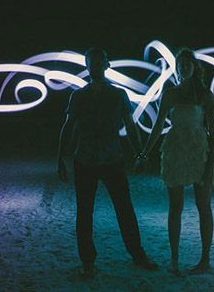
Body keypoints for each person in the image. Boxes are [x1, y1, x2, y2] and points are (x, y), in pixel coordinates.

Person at [57, 47, 158, 278]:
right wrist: (60, 158)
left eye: (98, 62)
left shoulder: (117, 95)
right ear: (88, 66)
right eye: (91, 62)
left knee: (124, 209)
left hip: (110, 159)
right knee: (86, 213)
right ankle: (89, 261)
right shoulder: (79, 96)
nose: (95, 66)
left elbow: (131, 126)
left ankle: (136, 254)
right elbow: (68, 126)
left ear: (106, 65)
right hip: (87, 160)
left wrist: (140, 153)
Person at [136, 48, 214, 275]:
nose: (184, 68)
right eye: (180, 64)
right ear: (177, 68)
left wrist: (211, 162)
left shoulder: (205, 95)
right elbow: (159, 125)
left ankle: (204, 260)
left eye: (187, 64)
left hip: (198, 150)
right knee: (175, 206)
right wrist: (144, 152)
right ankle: (174, 259)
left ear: (194, 67)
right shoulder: (170, 93)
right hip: (175, 149)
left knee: (203, 206)